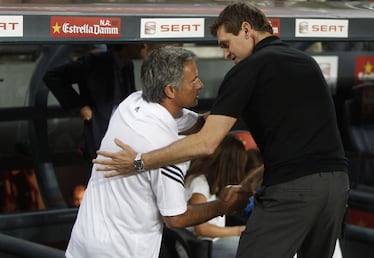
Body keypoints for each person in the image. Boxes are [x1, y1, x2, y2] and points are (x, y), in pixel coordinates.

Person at [94, 2, 350, 258]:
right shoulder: (307, 62)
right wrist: (248, 185)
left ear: (246, 30)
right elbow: (301, 153)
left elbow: (206, 142)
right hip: (337, 187)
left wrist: (139, 162)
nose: (226, 54)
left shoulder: (249, 68)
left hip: (292, 192)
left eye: (226, 43)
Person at [65, 46, 250, 258]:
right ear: (170, 90)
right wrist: (224, 205)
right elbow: (176, 218)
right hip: (123, 252)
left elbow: (201, 124)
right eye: (193, 81)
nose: (200, 85)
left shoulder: (133, 103)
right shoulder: (170, 150)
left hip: (83, 245)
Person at [43, 44, 143, 166]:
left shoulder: (127, 64)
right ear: (125, 45)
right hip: (100, 132)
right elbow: (52, 77)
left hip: (123, 132)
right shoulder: (94, 61)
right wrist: (79, 106)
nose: (142, 46)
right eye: (138, 43)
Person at [185, 134, 248, 239]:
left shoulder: (209, 183)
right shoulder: (200, 183)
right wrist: (239, 231)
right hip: (201, 246)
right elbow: (201, 228)